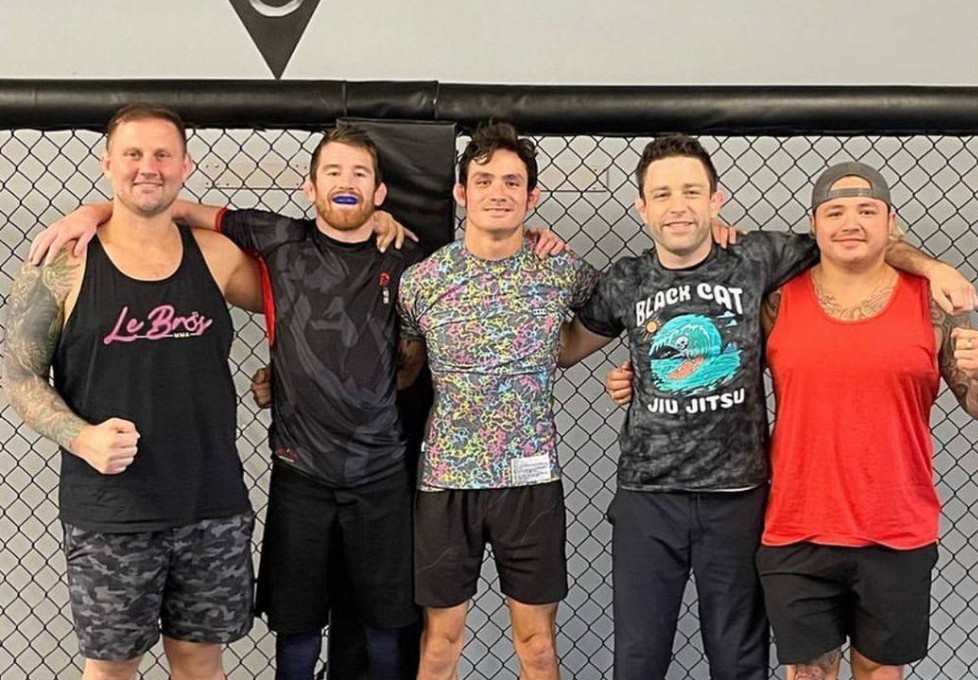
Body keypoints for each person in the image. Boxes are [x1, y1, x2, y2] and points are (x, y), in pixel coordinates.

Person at [33, 122, 567, 680]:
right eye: (332, 171)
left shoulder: (409, 259)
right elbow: (169, 206)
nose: (346, 181)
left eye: (360, 173)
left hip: (381, 475)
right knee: (296, 631)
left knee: (389, 628)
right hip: (301, 475)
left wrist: (535, 240)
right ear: (308, 188)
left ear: (380, 194)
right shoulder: (277, 239)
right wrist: (90, 213)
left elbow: (468, 281)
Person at [560, 136, 978, 680]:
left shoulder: (756, 258)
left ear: (717, 200)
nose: (678, 205)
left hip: (738, 494)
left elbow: (853, 239)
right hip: (649, 495)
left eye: (692, 191)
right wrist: (537, 258)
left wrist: (933, 268)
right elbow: (567, 347)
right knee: (638, 660)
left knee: (739, 660)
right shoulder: (626, 279)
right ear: (643, 207)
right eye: (662, 194)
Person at [3, 103, 263, 680]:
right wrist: (82, 437)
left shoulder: (217, 257)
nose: (149, 167)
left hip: (210, 502)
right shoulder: (61, 264)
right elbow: (18, 375)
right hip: (111, 512)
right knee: (113, 667)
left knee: (200, 662)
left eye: (163, 154)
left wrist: (290, 377)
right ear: (108, 164)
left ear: (186, 165)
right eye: (134, 154)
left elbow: (296, 299)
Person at [755, 162, 978, 680]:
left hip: (896, 526)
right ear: (814, 224)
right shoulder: (778, 301)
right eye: (836, 211)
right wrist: (648, 374)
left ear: (890, 221)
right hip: (798, 524)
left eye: (866, 210)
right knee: (809, 673)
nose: (850, 222)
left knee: (879, 673)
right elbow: (719, 376)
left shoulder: (932, 303)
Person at [397, 121, 600, 680]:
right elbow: (404, 367)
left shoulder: (559, 269)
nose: (498, 192)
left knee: (536, 645)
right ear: (462, 193)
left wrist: (567, 349)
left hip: (530, 480)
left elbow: (618, 304)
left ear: (531, 197)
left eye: (513, 182)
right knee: (440, 642)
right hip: (446, 481)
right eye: (484, 180)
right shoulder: (422, 281)